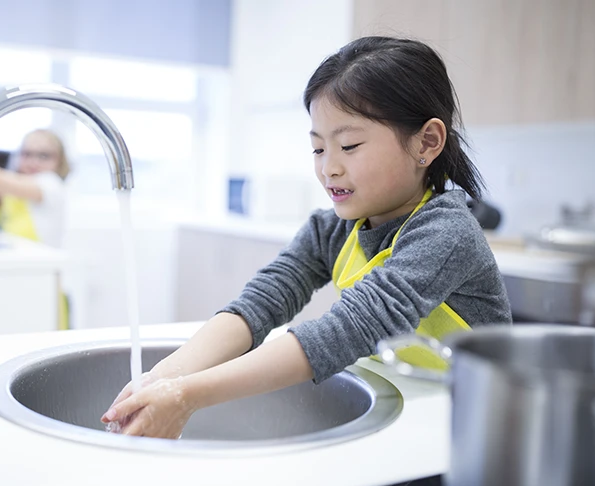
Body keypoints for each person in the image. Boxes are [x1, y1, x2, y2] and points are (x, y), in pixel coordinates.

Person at [102, 37, 511, 445]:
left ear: (427, 142)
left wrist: (187, 396)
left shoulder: (446, 233)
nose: (328, 168)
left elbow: (347, 329)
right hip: (406, 425)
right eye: (318, 149)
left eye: (349, 146)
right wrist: (162, 378)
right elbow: (262, 302)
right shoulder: (333, 229)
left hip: (472, 437)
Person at [0, 129, 71, 249]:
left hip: (42, 259)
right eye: (27, 154)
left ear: (60, 161)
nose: (33, 162)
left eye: (44, 156)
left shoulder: (51, 184)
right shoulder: (15, 190)